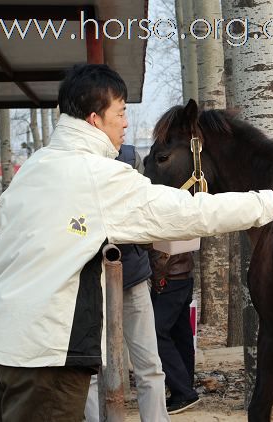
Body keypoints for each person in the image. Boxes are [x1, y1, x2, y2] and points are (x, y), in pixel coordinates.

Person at [0, 63, 273, 421]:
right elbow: (186, 212)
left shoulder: (34, 167)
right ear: (94, 119)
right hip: (46, 356)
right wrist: (268, 202)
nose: (125, 122)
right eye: (120, 112)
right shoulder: (99, 176)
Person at [84, 144, 168, 421]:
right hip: (90, 284)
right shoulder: (77, 162)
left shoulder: (131, 157)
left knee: (149, 365)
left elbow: (147, 207)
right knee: (94, 366)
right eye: (118, 115)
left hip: (132, 278)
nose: (124, 123)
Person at [149, 250, 199, 415]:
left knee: (156, 333)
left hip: (170, 277)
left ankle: (184, 391)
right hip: (181, 275)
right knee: (180, 334)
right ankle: (183, 390)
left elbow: (159, 249)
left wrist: (159, 277)